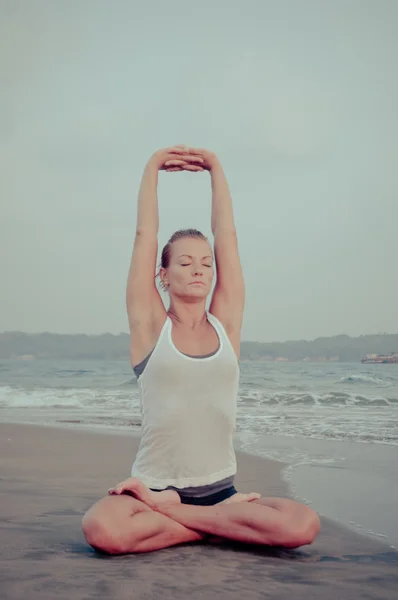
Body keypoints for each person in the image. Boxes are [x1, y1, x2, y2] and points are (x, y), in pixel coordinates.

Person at [82, 145, 321, 554]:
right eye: (185, 262)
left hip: (220, 491)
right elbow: (145, 235)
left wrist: (216, 168)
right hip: (153, 487)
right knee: (103, 530)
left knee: (303, 525)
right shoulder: (151, 328)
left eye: (206, 263)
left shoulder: (226, 324)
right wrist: (153, 165)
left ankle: (180, 518)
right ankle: (221, 527)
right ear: (164, 274)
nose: (198, 269)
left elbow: (227, 236)